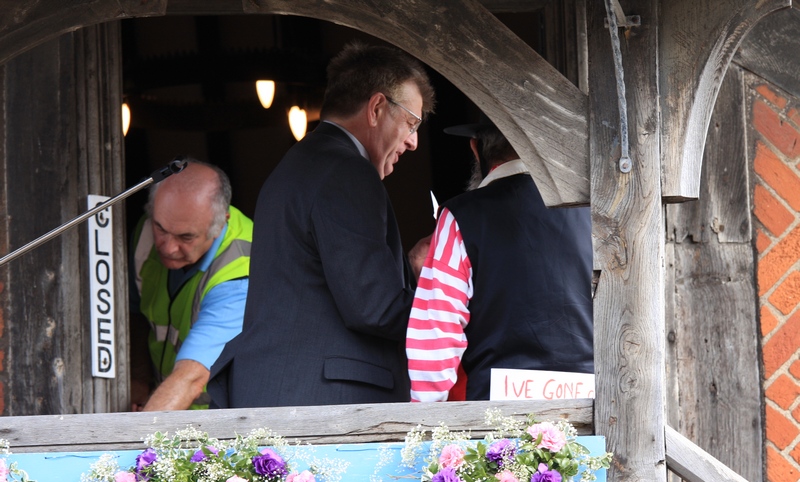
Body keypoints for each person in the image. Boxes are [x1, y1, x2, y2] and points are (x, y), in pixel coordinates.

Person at [208, 42, 435, 408]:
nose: (413, 142)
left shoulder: (298, 164)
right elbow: (374, 309)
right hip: (324, 402)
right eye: (410, 123)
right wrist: (447, 300)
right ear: (377, 108)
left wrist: (408, 269)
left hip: (282, 392)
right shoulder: (348, 171)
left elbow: (324, 284)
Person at [406, 115, 594, 401]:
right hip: (591, 412)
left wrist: (425, 425)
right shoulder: (595, 215)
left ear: (475, 148)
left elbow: (436, 335)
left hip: (493, 425)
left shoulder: (458, 216)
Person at [129, 158, 253, 411]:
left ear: (220, 225)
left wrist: (133, 445)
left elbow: (191, 379)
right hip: (161, 403)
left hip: (212, 424)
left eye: (186, 237)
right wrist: (139, 381)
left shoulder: (240, 272)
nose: (167, 246)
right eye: (160, 228)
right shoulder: (144, 231)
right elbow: (133, 316)